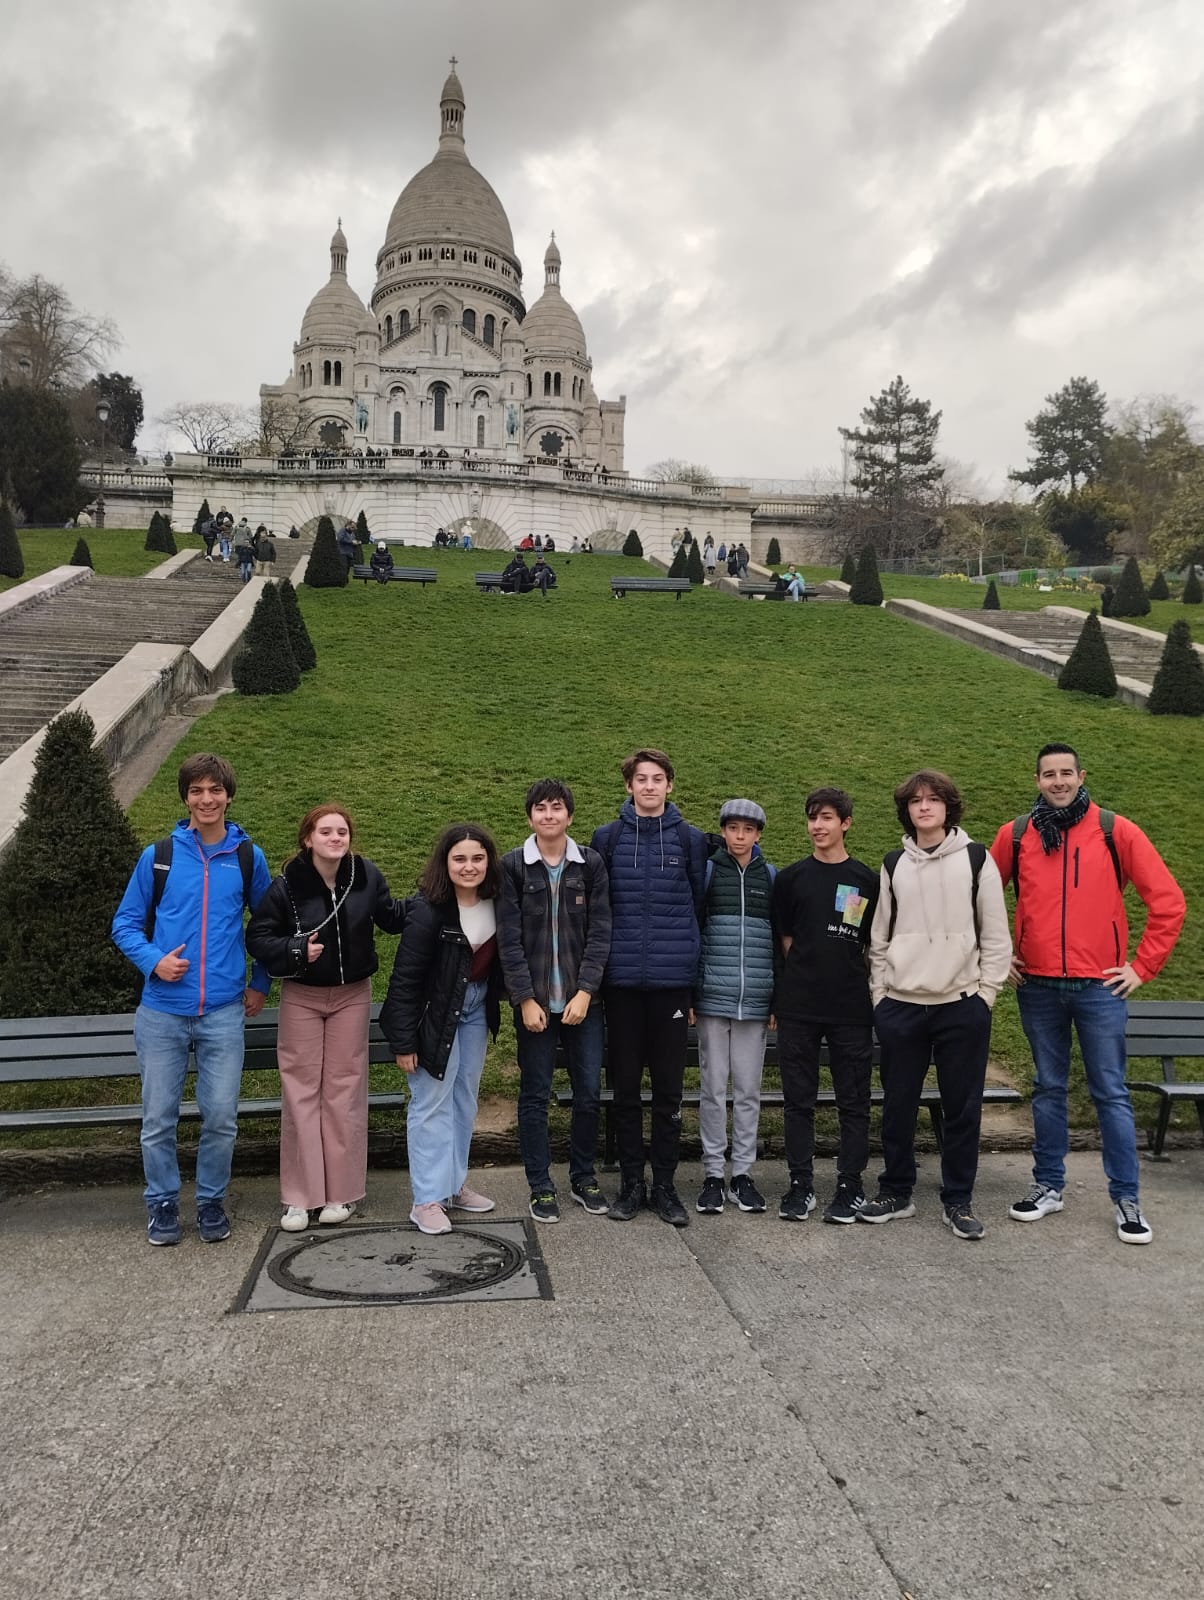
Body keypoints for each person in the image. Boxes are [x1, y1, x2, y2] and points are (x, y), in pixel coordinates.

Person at [988, 743, 1185, 1246]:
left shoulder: (1114, 830)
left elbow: (1168, 902)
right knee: (1048, 1087)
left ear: (1081, 776)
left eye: (1066, 773)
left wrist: (1142, 967)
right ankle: (1049, 1186)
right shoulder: (1015, 835)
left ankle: (1127, 1197)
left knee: (1111, 1093)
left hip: (1100, 985)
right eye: (1048, 774)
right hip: (1037, 984)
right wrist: (997, 954)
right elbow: (981, 898)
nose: (1057, 782)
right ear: (1036, 780)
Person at [111, 753, 272, 1246]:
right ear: (185, 797)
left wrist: (260, 983)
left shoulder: (248, 857)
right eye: (197, 791)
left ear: (228, 796)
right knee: (158, 1118)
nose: (207, 799)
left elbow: (268, 928)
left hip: (223, 1010)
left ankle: (210, 1201)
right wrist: (154, 960)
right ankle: (161, 1202)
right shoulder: (158, 855)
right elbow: (124, 924)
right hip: (161, 1011)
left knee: (221, 1116)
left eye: (215, 790)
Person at [858, 770, 1011, 1240]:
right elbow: (878, 937)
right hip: (901, 1006)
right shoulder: (892, 864)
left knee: (962, 1108)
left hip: (961, 1006)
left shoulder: (976, 859)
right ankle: (896, 1191)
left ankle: (957, 1199)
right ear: (906, 810)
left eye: (934, 799)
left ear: (948, 807)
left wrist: (985, 995)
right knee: (898, 1105)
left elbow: (995, 935)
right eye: (916, 801)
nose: (924, 807)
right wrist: (881, 996)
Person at [246, 806, 407, 1231]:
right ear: (308, 839)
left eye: (342, 832)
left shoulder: (365, 875)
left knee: (344, 1091)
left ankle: (342, 1194)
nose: (335, 838)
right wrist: (296, 952)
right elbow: (259, 936)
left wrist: (442, 896)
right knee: (301, 1091)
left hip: (353, 995)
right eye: (326, 831)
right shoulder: (287, 884)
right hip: (302, 996)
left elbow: (392, 918)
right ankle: (299, 1199)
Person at [590, 749, 708, 1227]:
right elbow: (597, 912)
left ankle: (664, 1186)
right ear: (629, 786)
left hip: (671, 986)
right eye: (641, 779)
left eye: (658, 779)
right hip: (620, 985)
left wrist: (693, 987)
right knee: (624, 1093)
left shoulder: (690, 838)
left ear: (670, 786)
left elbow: (698, 909)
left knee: (668, 1093)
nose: (649, 786)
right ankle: (630, 1185)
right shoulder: (608, 837)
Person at [380, 825, 504, 1235]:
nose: (469, 867)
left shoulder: (497, 904)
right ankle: (426, 1199)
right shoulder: (428, 909)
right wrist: (402, 1039)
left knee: (464, 1099)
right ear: (445, 863)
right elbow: (405, 979)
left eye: (478, 858)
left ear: (489, 862)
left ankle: (453, 1186)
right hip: (434, 1013)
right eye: (460, 859)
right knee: (431, 1101)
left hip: (475, 1010)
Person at [498, 780, 612, 1223]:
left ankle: (583, 1177)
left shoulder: (592, 865)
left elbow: (601, 933)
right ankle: (540, 1185)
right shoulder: (513, 867)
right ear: (530, 817)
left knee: (587, 1094)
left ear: (569, 816)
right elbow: (509, 940)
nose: (549, 815)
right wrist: (525, 999)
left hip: (586, 1003)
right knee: (535, 1095)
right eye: (541, 809)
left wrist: (585, 991)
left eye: (557, 808)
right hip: (536, 1004)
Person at [771, 788, 878, 1223]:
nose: (818, 826)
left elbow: (869, 943)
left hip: (851, 1007)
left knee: (853, 1100)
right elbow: (787, 943)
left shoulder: (866, 880)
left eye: (828, 818)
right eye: (813, 818)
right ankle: (800, 1185)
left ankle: (850, 1185)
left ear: (846, 823)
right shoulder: (792, 879)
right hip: (799, 1006)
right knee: (799, 1100)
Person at [693, 800, 776, 1217]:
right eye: (733, 828)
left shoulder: (771, 877)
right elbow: (694, 932)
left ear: (758, 834)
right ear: (723, 831)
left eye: (748, 829)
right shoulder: (708, 871)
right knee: (713, 1088)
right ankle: (712, 1174)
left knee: (748, 1090)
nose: (740, 836)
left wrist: (775, 998)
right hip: (711, 998)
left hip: (756, 1002)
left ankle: (742, 1175)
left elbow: (780, 943)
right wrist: (692, 993)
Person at [233, 520, 255, 584]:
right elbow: (250, 536)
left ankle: (247, 579)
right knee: (244, 571)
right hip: (242, 546)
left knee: (239, 554)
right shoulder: (247, 529)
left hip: (238, 544)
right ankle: (245, 579)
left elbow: (232, 534)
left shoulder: (236, 528)